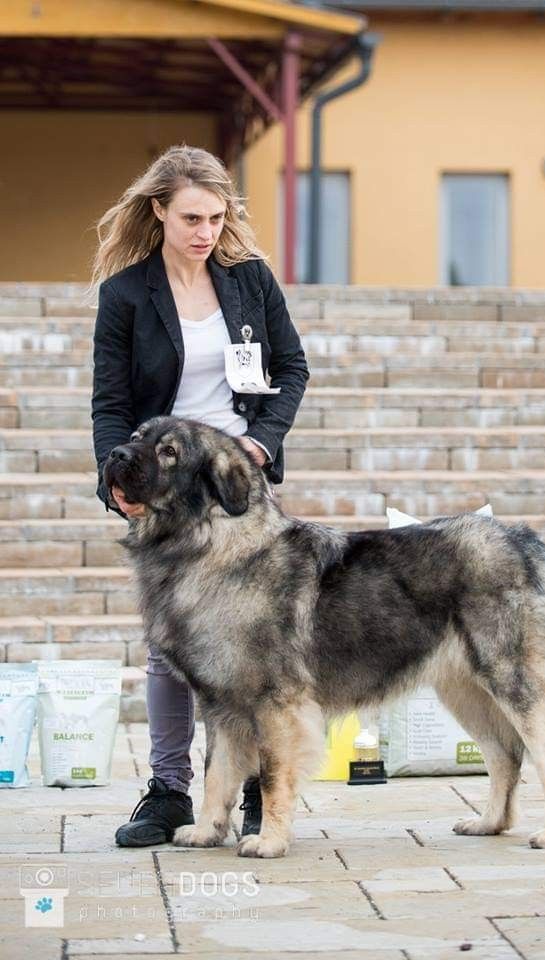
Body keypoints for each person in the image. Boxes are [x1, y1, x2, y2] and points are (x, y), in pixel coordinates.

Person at [90, 145, 309, 847]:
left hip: (238, 488)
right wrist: (115, 481)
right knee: (169, 647)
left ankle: (248, 795)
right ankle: (167, 793)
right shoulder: (125, 295)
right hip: (166, 491)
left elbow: (292, 367)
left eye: (216, 217)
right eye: (190, 216)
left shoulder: (249, 282)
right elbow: (110, 404)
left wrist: (262, 441)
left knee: (250, 647)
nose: (205, 230)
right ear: (159, 211)